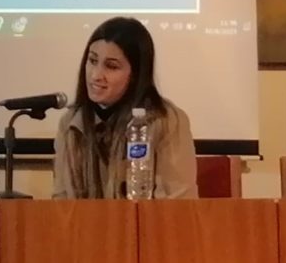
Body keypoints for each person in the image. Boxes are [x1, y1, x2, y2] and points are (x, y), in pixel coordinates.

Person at [53, 17, 197, 199]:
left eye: (111, 66)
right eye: (92, 60)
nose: (96, 75)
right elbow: (61, 201)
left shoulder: (166, 121)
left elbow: (178, 203)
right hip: (83, 219)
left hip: (145, 218)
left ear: (136, 75)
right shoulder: (71, 123)